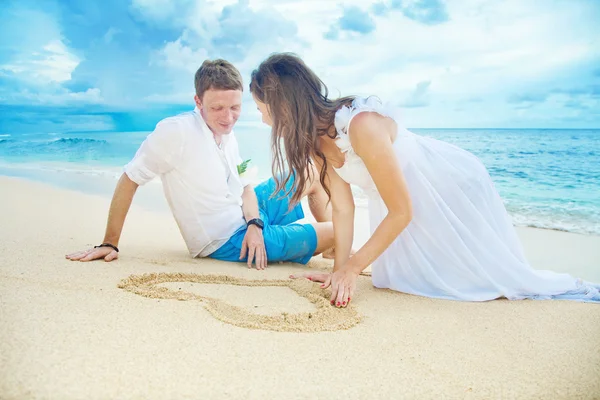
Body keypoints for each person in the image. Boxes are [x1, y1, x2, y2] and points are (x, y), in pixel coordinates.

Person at [249, 52, 600, 307]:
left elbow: (402, 210)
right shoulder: (315, 141)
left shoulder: (361, 125)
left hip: (449, 184)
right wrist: (339, 271)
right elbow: (343, 208)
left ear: (282, 105)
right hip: (407, 200)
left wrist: (356, 268)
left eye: (261, 108)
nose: (261, 117)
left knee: (487, 281)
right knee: (407, 282)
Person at [66, 59, 335, 269]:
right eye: (217, 108)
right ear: (198, 101)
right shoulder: (176, 132)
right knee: (336, 230)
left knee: (312, 171)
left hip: (247, 215)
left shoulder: (227, 134)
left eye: (235, 107)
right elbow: (130, 177)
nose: (228, 118)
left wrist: (255, 223)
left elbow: (245, 187)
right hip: (225, 240)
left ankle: (334, 252)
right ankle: (333, 244)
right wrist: (110, 243)